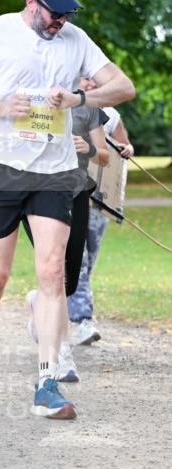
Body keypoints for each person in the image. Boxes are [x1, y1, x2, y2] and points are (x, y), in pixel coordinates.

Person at [0, 0, 135, 420]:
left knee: (52, 273)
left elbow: (124, 86)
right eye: (54, 12)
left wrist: (81, 100)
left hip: (55, 171)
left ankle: (46, 381)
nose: (60, 21)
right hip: (1, 168)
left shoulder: (76, 41)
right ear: (30, 1)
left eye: (67, 14)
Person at [24, 81, 110, 382]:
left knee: (70, 280)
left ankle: (38, 302)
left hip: (76, 191)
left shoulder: (90, 107)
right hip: (40, 190)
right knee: (54, 270)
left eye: (91, 79)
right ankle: (61, 353)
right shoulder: (37, 96)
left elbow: (104, 157)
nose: (88, 82)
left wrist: (91, 148)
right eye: (83, 78)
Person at [68, 90, 134, 345]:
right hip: (71, 194)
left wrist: (126, 149)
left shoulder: (110, 115)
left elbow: (124, 145)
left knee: (87, 258)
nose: (87, 82)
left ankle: (47, 302)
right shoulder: (64, 110)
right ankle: (83, 320)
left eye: (91, 79)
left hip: (100, 198)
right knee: (78, 259)